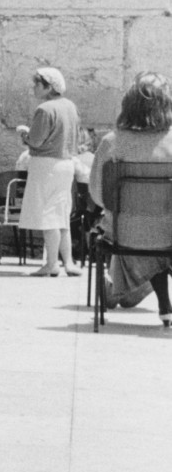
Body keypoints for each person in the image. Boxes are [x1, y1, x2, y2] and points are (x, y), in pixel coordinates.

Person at [88, 72, 172, 324]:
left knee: (140, 229)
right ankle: (156, 301)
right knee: (161, 232)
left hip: (124, 234)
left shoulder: (111, 143)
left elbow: (97, 195)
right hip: (168, 234)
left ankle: (125, 289)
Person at [16, 67, 80, 277]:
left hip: (46, 165)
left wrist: (25, 135)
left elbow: (36, 140)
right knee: (61, 214)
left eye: (37, 84)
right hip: (66, 163)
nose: (34, 87)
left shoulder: (45, 109)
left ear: (48, 86)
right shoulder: (70, 106)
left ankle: (52, 263)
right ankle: (68, 262)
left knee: (49, 215)